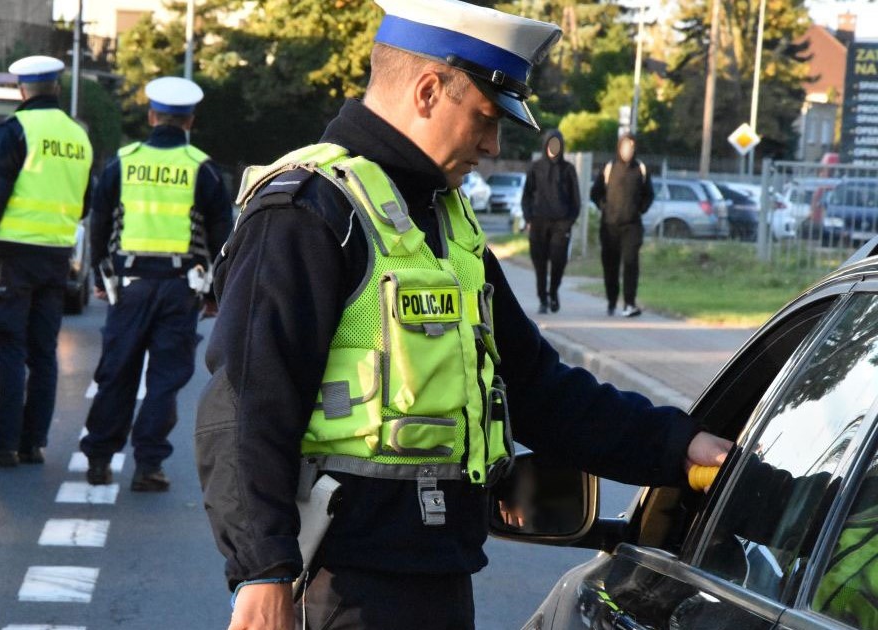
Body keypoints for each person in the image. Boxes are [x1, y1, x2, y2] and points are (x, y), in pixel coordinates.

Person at [194, 1, 732, 628]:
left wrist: (676, 442)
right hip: (340, 592)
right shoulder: (310, 212)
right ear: (427, 91)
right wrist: (263, 573)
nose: (492, 144)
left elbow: (537, 387)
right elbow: (243, 407)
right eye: (484, 118)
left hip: (441, 577)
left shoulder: (445, 221)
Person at [80, 76, 233, 492]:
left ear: (151, 116)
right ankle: (148, 465)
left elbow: (100, 221)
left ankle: (98, 459)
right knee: (165, 378)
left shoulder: (122, 162)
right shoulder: (203, 169)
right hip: (182, 288)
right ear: (190, 120)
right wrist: (217, 295)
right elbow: (223, 238)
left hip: (129, 285)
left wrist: (100, 274)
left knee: (117, 371)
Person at [0, 56, 94, 468]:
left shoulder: (16, 129)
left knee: (9, 348)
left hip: (13, 255)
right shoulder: (78, 136)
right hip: (56, 256)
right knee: (43, 351)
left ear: (22, 89)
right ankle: (33, 442)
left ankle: (1, 442)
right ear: (54, 88)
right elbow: (83, 202)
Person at [590, 133, 653, 318]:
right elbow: (595, 193)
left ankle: (629, 303)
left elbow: (649, 195)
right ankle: (611, 301)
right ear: (619, 148)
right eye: (625, 147)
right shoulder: (609, 167)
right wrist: (605, 207)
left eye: (631, 147)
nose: (628, 151)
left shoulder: (641, 169)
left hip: (632, 227)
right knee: (610, 266)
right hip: (609, 226)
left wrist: (640, 209)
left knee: (631, 264)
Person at [521, 129, 580, 314]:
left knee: (558, 262)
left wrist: (569, 222)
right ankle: (543, 299)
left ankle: (553, 292)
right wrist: (528, 218)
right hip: (538, 222)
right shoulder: (535, 167)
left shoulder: (568, 170)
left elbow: (575, 200)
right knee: (539, 264)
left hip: (561, 224)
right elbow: (527, 195)